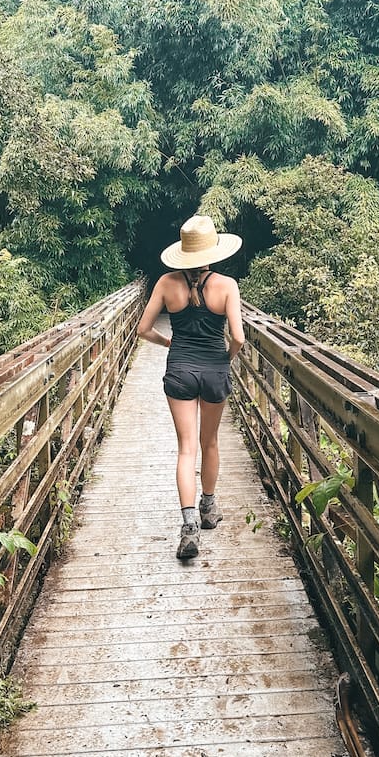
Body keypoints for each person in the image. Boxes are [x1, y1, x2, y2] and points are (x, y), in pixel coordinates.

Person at [137, 214, 245, 559]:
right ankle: (209, 509)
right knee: (209, 442)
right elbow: (239, 338)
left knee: (186, 449)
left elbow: (143, 329)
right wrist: (225, 358)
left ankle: (188, 529)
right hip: (214, 369)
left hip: (179, 370)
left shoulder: (167, 283)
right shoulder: (227, 285)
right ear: (212, 250)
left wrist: (169, 344)